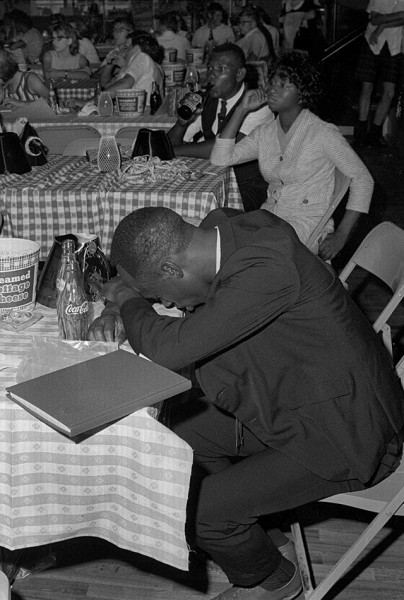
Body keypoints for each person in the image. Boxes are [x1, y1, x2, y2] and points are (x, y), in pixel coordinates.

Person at [88, 205, 404, 600]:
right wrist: (131, 299)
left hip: (350, 431)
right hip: (299, 393)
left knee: (201, 514)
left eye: (160, 296)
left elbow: (171, 349)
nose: (167, 305)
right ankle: (265, 542)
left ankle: (272, 581)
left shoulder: (268, 268)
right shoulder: (229, 230)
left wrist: (126, 297)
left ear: (171, 269)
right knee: (177, 440)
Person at [210, 51, 374, 261]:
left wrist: (341, 234)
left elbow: (363, 180)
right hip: (271, 219)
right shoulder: (266, 132)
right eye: (272, 83)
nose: (272, 90)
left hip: (306, 226)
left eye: (283, 85)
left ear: (302, 93)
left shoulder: (322, 133)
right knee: (217, 225)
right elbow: (220, 159)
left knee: (238, 251)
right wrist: (241, 109)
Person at [168, 43, 273, 212]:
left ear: (239, 74)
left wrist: (173, 151)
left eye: (220, 69)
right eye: (210, 69)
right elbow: (172, 142)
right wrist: (182, 122)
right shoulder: (206, 100)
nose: (211, 75)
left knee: (201, 212)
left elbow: (224, 149)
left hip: (244, 186)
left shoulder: (258, 105)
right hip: (208, 180)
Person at [354, 0, 404, 147]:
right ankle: (361, 133)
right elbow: (374, 19)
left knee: (389, 92)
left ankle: (374, 134)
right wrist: (399, 15)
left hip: (394, 45)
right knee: (367, 88)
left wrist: (383, 24)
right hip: (372, 42)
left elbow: (383, 20)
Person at [100, 32, 164, 104]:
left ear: (138, 49)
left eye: (126, 47)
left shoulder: (142, 57)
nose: (123, 52)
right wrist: (110, 64)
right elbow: (106, 85)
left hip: (145, 112)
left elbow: (125, 83)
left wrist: (94, 100)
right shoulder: (141, 65)